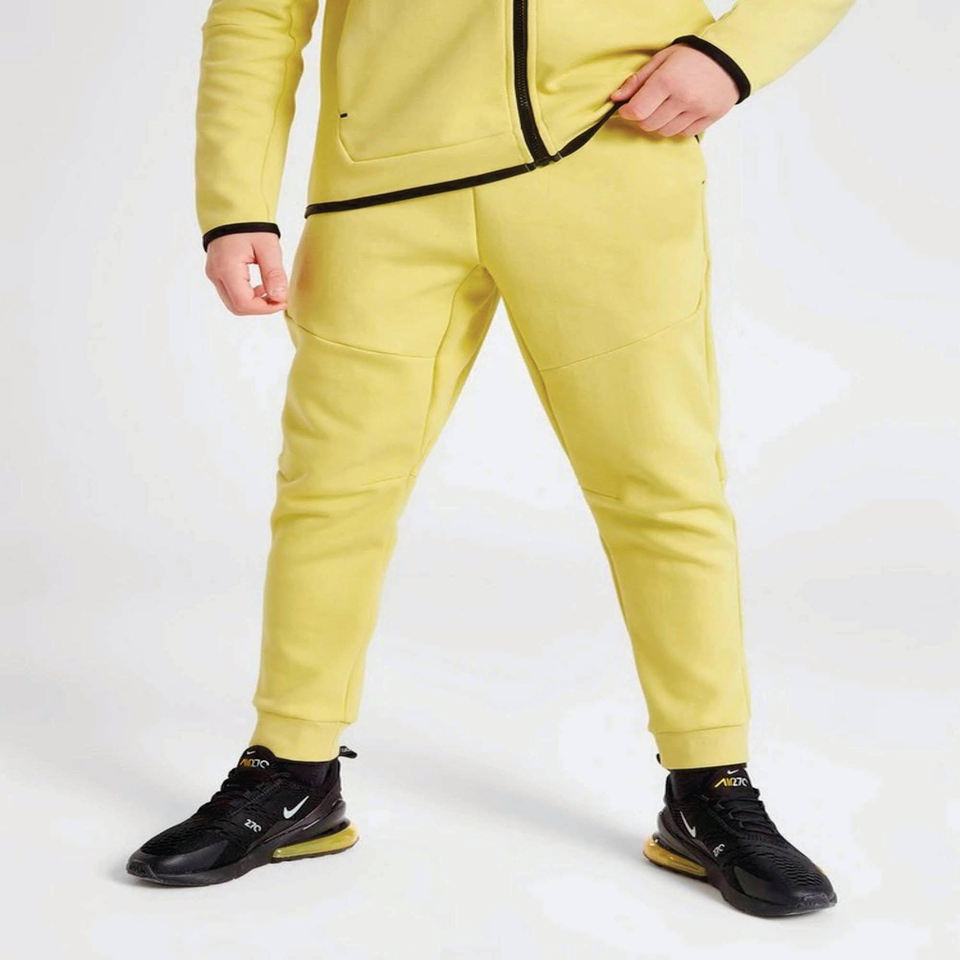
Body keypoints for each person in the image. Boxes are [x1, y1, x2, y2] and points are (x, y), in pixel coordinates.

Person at [126, 0, 854, 916]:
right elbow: (258, 14)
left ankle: (711, 784)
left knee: (663, 485)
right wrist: (234, 204)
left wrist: (734, 54)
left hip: (608, 154)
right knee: (331, 490)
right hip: (382, 182)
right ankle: (292, 772)